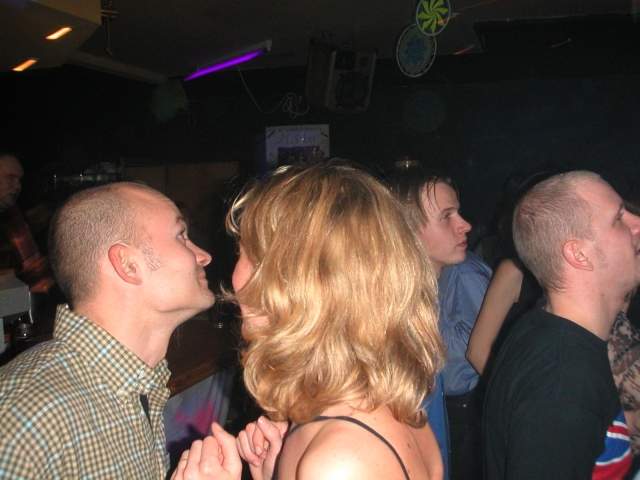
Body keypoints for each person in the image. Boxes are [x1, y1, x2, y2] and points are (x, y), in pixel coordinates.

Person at [174, 161, 445, 479]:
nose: (235, 275)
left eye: (244, 253)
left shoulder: (339, 462)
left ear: (295, 282)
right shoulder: (387, 408)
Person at [0, 182, 215, 478]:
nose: (204, 256)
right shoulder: (22, 419)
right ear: (127, 265)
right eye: (181, 236)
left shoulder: (137, 384)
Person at [483, 171, 639, 479]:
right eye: (619, 218)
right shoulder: (560, 384)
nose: (638, 223)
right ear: (578, 254)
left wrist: (626, 421)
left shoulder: (550, 332)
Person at [389, 166, 490, 480]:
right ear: (407, 229)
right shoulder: (394, 318)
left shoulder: (423, 302)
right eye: (447, 216)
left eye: (458, 212)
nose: (465, 225)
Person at [0, 152, 54, 293]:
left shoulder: (13, 215)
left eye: (19, 180)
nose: (18, 186)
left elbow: (33, 267)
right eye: (10, 178)